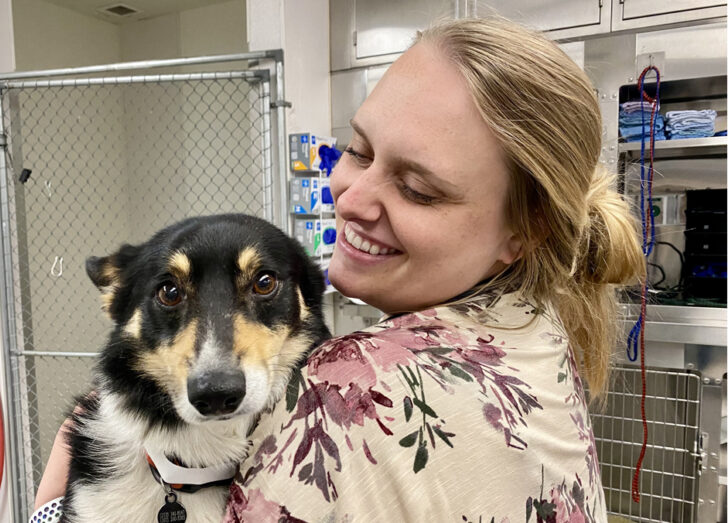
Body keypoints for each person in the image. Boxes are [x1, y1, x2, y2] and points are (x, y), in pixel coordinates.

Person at [35, 17, 644, 522]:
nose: (348, 199)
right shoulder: (539, 331)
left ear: (524, 230)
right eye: (358, 150)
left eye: (416, 188)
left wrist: (47, 508)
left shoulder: (347, 393)